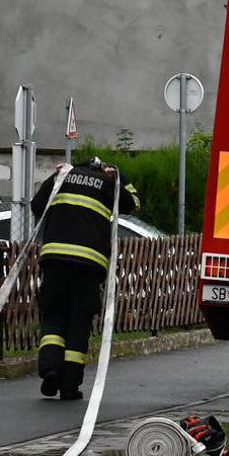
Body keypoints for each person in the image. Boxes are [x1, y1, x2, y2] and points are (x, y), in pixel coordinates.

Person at [30, 157, 139, 401]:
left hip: (55, 260)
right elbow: (133, 203)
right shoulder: (107, 183)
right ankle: (69, 386)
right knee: (79, 321)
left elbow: (36, 206)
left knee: (54, 314)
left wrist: (57, 178)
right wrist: (119, 176)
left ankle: (50, 369)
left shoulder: (61, 177)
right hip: (88, 265)